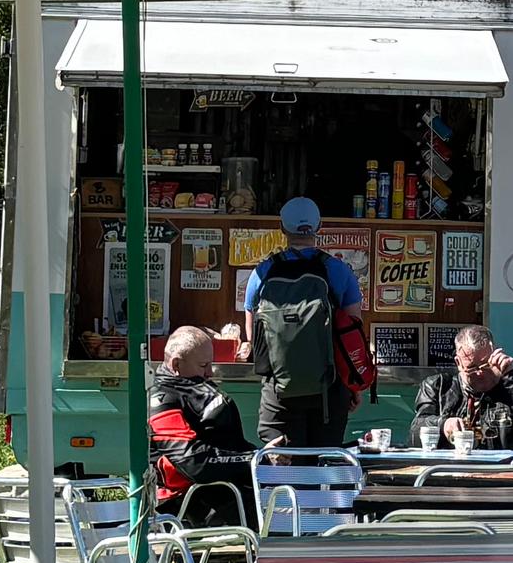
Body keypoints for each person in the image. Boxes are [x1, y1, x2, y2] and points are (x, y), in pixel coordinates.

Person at [244, 198, 361, 447]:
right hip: (328, 389)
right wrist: (353, 385)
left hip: (279, 390)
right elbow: (353, 335)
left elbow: (252, 336)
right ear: (318, 226)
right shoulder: (339, 271)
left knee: (281, 466)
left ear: (282, 229)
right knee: (322, 468)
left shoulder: (262, 272)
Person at [147, 327, 256, 528]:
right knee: (284, 525)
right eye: (204, 365)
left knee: (297, 512)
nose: (210, 372)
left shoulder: (190, 389)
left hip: (221, 494)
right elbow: (192, 461)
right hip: (185, 506)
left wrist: (264, 455)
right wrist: (252, 460)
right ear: (176, 364)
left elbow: (227, 446)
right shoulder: (161, 399)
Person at [413, 324, 513, 452]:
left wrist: (512, 381)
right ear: (458, 362)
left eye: (486, 365)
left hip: (509, 474)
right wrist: (443, 424)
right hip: (449, 473)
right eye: (471, 368)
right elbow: (415, 432)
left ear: (495, 354)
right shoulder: (438, 387)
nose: (480, 373)